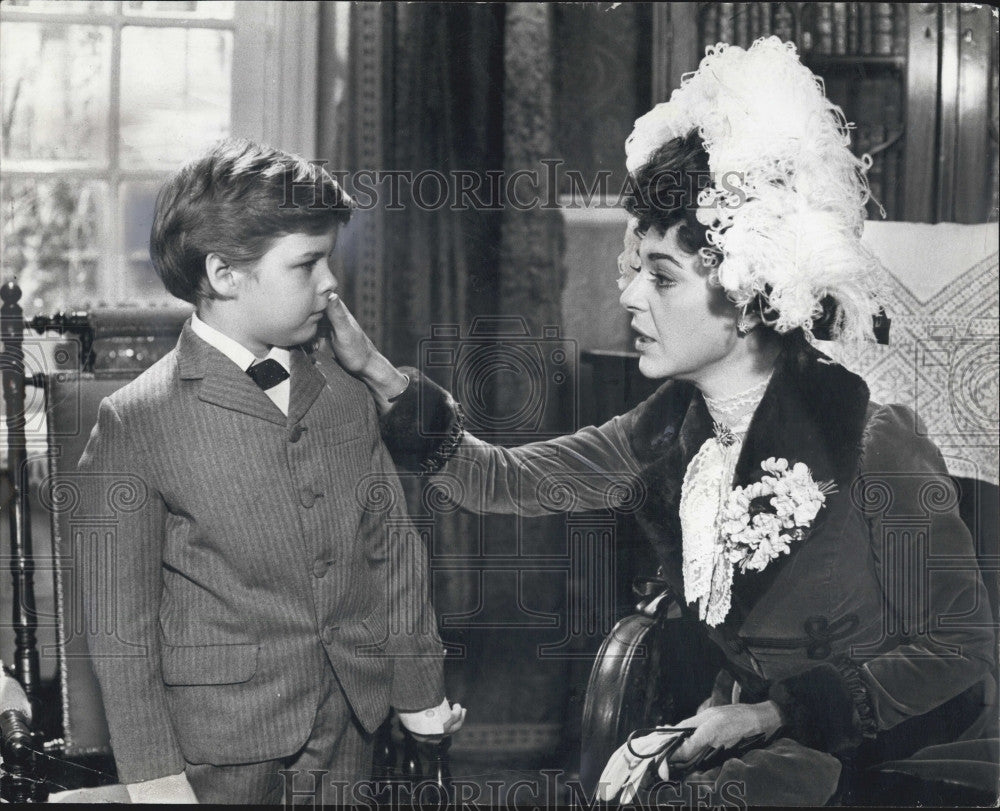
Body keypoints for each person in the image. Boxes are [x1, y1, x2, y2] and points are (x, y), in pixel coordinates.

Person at [324, 39, 997, 805]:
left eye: (662, 276)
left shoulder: (876, 442)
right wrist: (380, 375)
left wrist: (766, 712)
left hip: (896, 769)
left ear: (745, 296)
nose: (631, 297)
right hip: (760, 759)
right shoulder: (667, 429)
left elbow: (963, 652)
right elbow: (499, 477)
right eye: (636, 269)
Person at [77, 138, 464, 805]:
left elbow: (393, 552)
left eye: (328, 260)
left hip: (350, 724)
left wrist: (418, 693)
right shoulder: (136, 421)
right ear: (225, 274)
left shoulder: (344, 394)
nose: (330, 283)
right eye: (307, 264)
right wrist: (152, 774)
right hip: (216, 749)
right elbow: (121, 625)